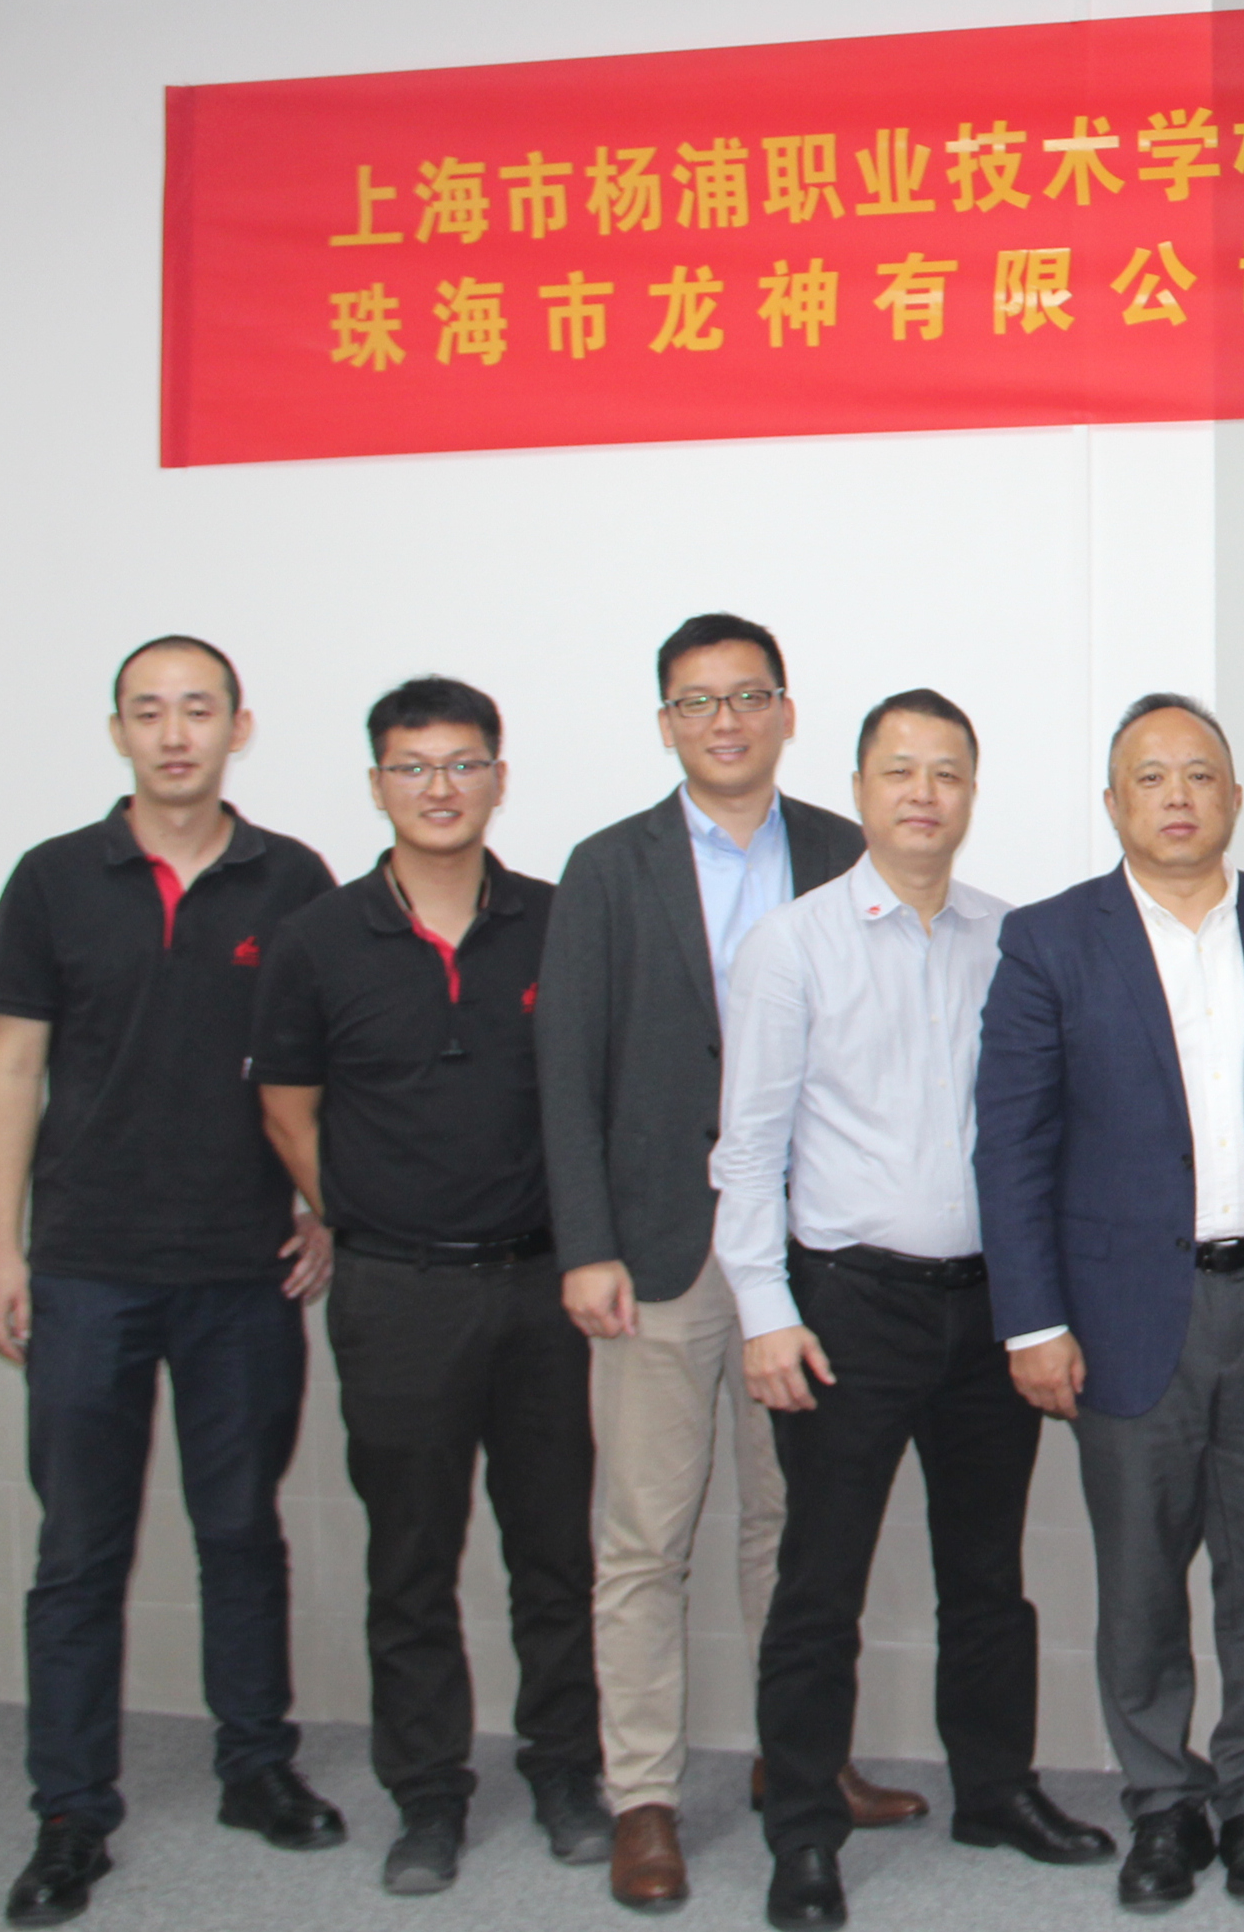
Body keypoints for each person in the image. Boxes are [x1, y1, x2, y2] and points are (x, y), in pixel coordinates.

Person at [713, 691, 1115, 1932]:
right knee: (819, 1584)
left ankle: (993, 1790)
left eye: (947, 772)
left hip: (989, 1306)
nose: (923, 794)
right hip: (848, 1308)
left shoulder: (1011, 938)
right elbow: (748, 1148)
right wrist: (763, 1310)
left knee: (986, 1576)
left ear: (972, 793)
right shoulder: (793, 944)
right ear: (859, 789)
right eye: (899, 771)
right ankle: (802, 1832)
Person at [536, 613, 917, 1911]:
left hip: (802, 1254)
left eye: (748, 696)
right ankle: (642, 1795)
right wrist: (585, 1243)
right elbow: (565, 1072)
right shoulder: (607, 867)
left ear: (785, 711)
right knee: (644, 1538)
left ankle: (791, 1762)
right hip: (651, 1252)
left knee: (787, 1527)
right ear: (666, 724)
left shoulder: (841, 850)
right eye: (697, 702)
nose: (725, 722)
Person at [0, 637, 343, 1928]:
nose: (175, 733)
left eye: (198, 710)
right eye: (149, 711)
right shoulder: (51, 877)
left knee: (240, 1530)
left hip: (242, 1269)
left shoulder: (292, 878)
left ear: (240, 726)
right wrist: (3, 1250)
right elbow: (11, 1070)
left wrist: (323, 1205)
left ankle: (255, 1766)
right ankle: (71, 1809)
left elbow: (324, 1067)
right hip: (86, 1269)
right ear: (118, 731)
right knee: (79, 1551)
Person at [250, 676, 607, 1896]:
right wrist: (364, 1212)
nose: (439, 788)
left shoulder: (560, 921)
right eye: (413, 767)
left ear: (499, 778)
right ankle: (428, 1796)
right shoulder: (316, 938)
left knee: (554, 1553)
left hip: (544, 1289)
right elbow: (287, 1109)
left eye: (462, 764)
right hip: (396, 1294)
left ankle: (566, 1771)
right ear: (377, 785)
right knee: (410, 1561)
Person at [975, 694, 1244, 1910]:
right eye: (1149, 776)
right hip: (1120, 1316)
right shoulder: (1048, 941)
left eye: (1198, 773)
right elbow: (1010, 1145)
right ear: (1112, 802)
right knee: (1137, 1584)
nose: (1176, 795)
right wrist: (1032, 1322)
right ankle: (1162, 1803)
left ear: (1234, 797)